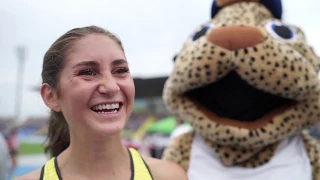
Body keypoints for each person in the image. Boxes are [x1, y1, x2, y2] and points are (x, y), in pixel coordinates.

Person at [15, 25, 187, 180]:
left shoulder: (170, 176)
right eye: (88, 72)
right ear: (51, 96)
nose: (111, 87)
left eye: (121, 70)